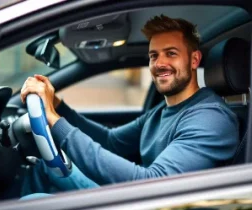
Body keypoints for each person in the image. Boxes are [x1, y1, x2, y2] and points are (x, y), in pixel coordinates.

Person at [20, 15, 239, 197]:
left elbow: (152, 184)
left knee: (34, 201)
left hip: (150, 200)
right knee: (44, 168)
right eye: (154, 56)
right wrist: (57, 106)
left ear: (194, 60)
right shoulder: (162, 111)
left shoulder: (211, 118)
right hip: (137, 195)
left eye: (171, 53)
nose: (160, 63)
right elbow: (111, 141)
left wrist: (53, 120)